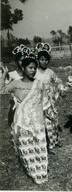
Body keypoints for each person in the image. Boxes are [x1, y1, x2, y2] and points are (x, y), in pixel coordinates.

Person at [0, 49, 49, 184]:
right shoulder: (16, 84)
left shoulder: (39, 83)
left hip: (37, 119)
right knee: (25, 145)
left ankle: (41, 171)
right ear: (23, 68)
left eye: (35, 68)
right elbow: (2, 90)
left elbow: (44, 100)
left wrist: (47, 114)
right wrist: (3, 75)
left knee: (39, 143)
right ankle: (31, 170)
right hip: (22, 119)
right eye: (30, 68)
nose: (33, 70)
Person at [34, 43, 65, 153]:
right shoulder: (34, 72)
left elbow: (58, 81)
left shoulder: (50, 72)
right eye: (42, 59)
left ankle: (53, 142)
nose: (44, 62)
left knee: (52, 121)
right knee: (40, 123)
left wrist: (61, 89)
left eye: (46, 60)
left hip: (49, 101)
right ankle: (43, 144)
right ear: (38, 60)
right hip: (38, 101)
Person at [5, 45, 26, 127]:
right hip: (16, 105)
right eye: (21, 60)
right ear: (16, 61)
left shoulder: (29, 74)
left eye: (25, 60)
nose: (23, 62)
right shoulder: (12, 74)